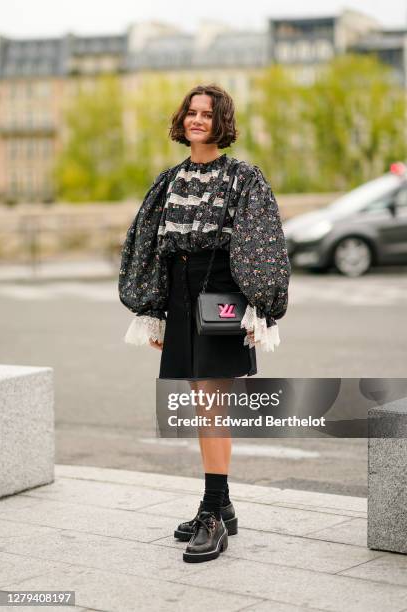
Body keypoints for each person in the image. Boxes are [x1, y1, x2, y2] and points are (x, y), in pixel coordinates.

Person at [119, 83, 290, 563]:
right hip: (180, 290)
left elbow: (262, 243)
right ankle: (223, 504)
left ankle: (212, 512)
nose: (197, 120)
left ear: (222, 122)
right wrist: (155, 310)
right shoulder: (169, 179)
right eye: (191, 113)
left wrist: (262, 306)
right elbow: (147, 245)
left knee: (213, 401)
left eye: (207, 114)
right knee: (201, 399)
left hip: (222, 292)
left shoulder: (243, 178)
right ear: (183, 120)